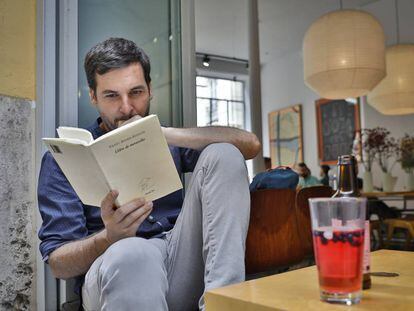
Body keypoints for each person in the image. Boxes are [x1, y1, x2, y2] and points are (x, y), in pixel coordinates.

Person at [37, 38, 261, 311]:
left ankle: (223, 304)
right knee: (134, 253)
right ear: (93, 96)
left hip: (177, 259)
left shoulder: (168, 139)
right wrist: (109, 237)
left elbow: (250, 145)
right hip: (114, 270)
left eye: (136, 92)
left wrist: (164, 134)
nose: (127, 108)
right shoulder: (62, 162)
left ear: (150, 90)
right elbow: (59, 264)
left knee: (224, 154)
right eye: (111, 96)